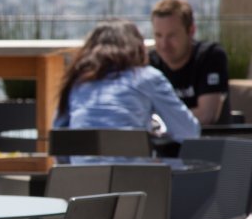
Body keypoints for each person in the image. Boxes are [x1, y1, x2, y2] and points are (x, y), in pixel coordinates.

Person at [149, 0, 231, 219]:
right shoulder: (150, 64)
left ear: (191, 31)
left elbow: (207, 114)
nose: (164, 44)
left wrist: (163, 122)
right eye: (158, 36)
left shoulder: (210, 56)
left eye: (171, 35)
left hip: (208, 159)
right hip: (163, 159)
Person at [53, 19, 201, 142]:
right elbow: (189, 132)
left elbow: (59, 141)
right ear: (137, 47)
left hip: (79, 175)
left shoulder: (78, 81)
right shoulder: (147, 77)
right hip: (133, 175)